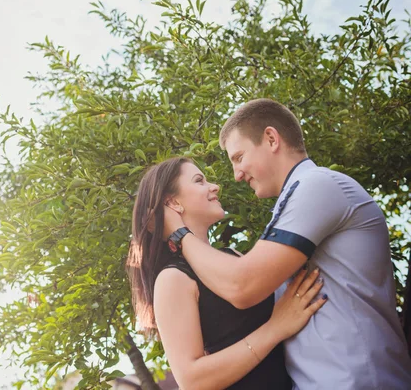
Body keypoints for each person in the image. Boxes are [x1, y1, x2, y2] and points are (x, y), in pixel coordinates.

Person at [163, 99, 411, 389]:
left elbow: (242, 286)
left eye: (239, 157)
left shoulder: (319, 187)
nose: (236, 175)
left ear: (271, 138)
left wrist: (179, 234)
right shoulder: (292, 206)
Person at [126, 157, 327, 389]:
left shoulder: (233, 256)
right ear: (173, 202)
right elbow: (192, 379)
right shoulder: (173, 278)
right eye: (199, 181)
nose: (215, 186)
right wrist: (275, 329)